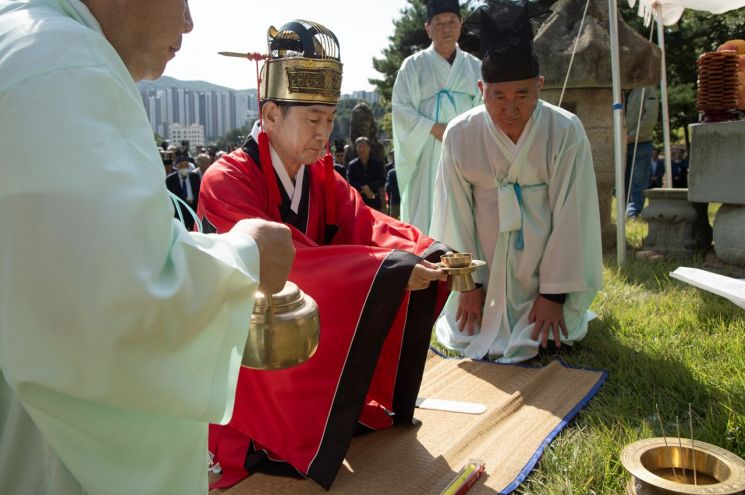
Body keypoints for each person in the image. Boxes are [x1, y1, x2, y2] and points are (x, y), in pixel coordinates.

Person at [0, 2, 296, 494]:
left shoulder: (28, 44)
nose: (188, 22)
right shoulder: (67, 65)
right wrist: (245, 254)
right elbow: (118, 301)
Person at [197, 19, 449, 490]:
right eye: (312, 119)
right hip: (241, 349)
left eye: (330, 118)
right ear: (270, 115)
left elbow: (368, 225)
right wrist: (386, 272)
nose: (324, 132)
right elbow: (290, 260)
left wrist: (424, 249)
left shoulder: (320, 177)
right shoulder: (225, 180)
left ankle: (315, 424)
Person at [429, 0, 603, 364]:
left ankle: (550, 303)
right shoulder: (460, 135)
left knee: (550, 335)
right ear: (481, 88)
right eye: (498, 96)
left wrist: (554, 296)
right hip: (486, 267)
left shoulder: (564, 130)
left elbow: (574, 215)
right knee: (467, 334)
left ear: (540, 85)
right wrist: (468, 286)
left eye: (522, 94)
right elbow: (454, 215)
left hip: (543, 270)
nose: (510, 108)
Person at [392, 0, 482, 233]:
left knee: (466, 217)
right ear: (427, 28)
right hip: (427, 152)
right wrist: (435, 128)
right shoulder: (412, 66)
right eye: (438, 23)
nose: (446, 28)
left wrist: (462, 134)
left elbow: (485, 110)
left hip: (466, 151)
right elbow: (402, 109)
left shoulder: (476, 67)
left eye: (452, 21)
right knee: (427, 218)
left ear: (461, 24)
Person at [624, 85, 660, 217]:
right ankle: (623, 211)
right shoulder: (616, 86)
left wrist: (632, 136)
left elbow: (650, 118)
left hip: (641, 142)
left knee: (639, 179)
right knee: (621, 179)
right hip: (620, 142)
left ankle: (633, 212)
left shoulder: (647, 89)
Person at [347, 136, 387, 210]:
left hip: (374, 199)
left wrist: (369, 187)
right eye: (359, 147)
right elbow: (350, 181)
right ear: (356, 149)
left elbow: (382, 180)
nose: (362, 149)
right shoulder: (352, 165)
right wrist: (363, 189)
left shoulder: (377, 163)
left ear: (369, 148)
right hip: (358, 201)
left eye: (364, 147)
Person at [166, 151, 202, 230]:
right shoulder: (170, 180)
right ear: (177, 166)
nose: (184, 167)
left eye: (186, 164)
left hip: (193, 209)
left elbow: (199, 192)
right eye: (181, 165)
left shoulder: (195, 177)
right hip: (179, 211)